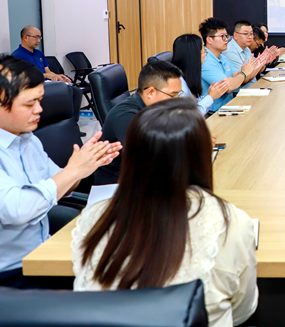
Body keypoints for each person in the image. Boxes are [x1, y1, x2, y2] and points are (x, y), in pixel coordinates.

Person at [72, 99, 258, 327]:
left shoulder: (95, 218)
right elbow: (243, 308)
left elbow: (87, 295)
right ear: (202, 157)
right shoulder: (230, 221)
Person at [0, 55, 120, 287]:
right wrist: (73, 170)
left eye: (40, 100)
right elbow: (17, 209)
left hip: (39, 255)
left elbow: (61, 185)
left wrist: (85, 165)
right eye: (30, 104)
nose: (39, 109)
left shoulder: (26, 139)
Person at [94, 60, 183, 185]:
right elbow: (148, 159)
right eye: (172, 96)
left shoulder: (156, 109)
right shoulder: (126, 116)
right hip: (117, 185)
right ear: (150, 92)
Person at [11, 26, 83, 125]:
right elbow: (24, 77)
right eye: (36, 37)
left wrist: (58, 76)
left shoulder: (39, 53)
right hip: (33, 87)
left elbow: (48, 71)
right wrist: (47, 76)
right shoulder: (17, 55)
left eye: (40, 38)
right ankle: (63, 123)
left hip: (47, 84)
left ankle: (73, 124)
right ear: (25, 38)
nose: (38, 41)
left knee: (76, 91)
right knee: (68, 92)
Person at [199, 18, 255, 113]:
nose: (226, 40)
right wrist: (244, 73)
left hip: (229, 106)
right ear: (209, 40)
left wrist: (240, 75)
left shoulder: (222, 57)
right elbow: (228, 87)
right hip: (214, 112)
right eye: (222, 36)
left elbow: (237, 76)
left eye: (226, 36)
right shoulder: (205, 60)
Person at [171, 34, 230, 116]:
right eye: (204, 52)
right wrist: (211, 97)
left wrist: (211, 94)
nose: (205, 55)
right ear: (194, 56)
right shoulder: (177, 83)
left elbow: (196, 102)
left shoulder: (190, 74)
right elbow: (189, 115)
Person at [222, 20, 269, 90]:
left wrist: (263, 61)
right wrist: (261, 62)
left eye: (251, 34)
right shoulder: (229, 51)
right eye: (245, 34)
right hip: (240, 92)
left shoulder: (246, 49)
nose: (250, 37)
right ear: (236, 35)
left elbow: (256, 69)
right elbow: (243, 80)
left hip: (252, 88)